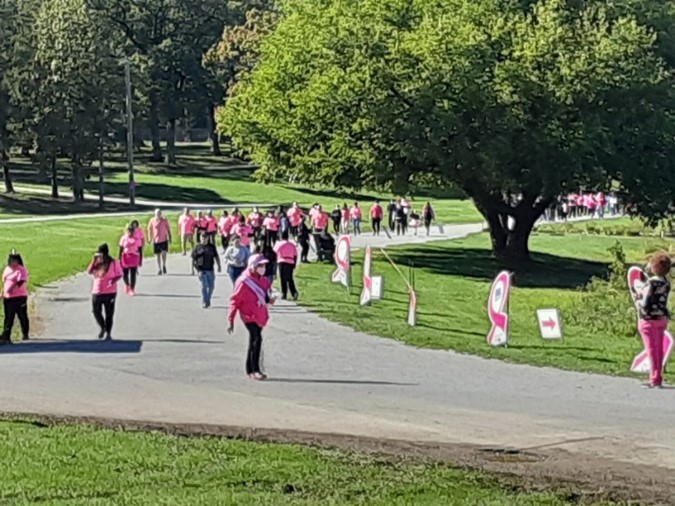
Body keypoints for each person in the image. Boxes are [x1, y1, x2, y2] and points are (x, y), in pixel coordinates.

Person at [227, 254, 276, 380]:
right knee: (256, 339)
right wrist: (230, 319)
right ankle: (255, 370)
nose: (263, 268)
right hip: (248, 315)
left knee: (254, 340)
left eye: (264, 265)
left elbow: (265, 298)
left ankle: (250, 369)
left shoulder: (264, 281)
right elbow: (234, 301)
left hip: (259, 314)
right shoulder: (243, 282)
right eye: (260, 265)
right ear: (253, 266)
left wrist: (271, 299)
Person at [635, 253, 672, 389]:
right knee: (659, 349)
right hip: (661, 318)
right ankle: (658, 377)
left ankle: (654, 379)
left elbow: (645, 302)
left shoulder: (650, 283)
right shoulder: (666, 283)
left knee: (651, 350)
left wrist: (638, 300)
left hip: (648, 320)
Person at [87, 244, 123, 340]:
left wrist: (113, 280)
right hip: (97, 291)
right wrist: (94, 260)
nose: (100, 256)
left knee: (109, 313)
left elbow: (119, 274)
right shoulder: (97, 262)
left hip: (110, 292)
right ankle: (102, 327)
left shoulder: (114, 263)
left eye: (101, 254)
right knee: (96, 311)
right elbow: (89, 271)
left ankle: (108, 333)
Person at [1, 251, 29, 344]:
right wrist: (3, 291)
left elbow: (21, 282)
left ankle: (25, 333)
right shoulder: (7, 269)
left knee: (22, 316)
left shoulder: (21, 270)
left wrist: (12, 289)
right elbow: (4, 282)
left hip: (19, 297)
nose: (13, 263)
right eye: (11, 261)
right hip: (8, 298)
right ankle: (6, 336)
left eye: (15, 261)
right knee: (9, 317)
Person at [192, 233, 222, 309]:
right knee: (204, 286)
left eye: (205, 238)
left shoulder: (211, 247)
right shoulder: (197, 247)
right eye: (202, 238)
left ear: (208, 238)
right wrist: (192, 269)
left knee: (211, 286)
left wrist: (219, 266)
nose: (204, 239)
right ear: (200, 238)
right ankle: (205, 302)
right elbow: (193, 258)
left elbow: (216, 256)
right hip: (201, 269)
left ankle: (208, 299)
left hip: (210, 269)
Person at [274, 230, 299, 300]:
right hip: (290, 261)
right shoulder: (292, 245)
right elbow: (295, 255)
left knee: (282, 278)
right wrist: (294, 263)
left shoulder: (279, 244)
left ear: (281, 236)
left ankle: (284, 293)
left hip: (282, 260)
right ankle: (294, 292)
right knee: (289, 278)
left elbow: (274, 252)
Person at [118, 225, 142, 296]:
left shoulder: (137, 239)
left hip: (134, 257)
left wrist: (140, 260)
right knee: (125, 273)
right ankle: (127, 285)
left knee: (133, 274)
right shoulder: (123, 238)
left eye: (132, 231)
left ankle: (132, 289)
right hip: (125, 257)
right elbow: (121, 249)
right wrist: (119, 259)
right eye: (129, 231)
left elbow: (140, 250)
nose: (130, 233)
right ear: (126, 231)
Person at [147, 209, 171, 275]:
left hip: (164, 239)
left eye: (159, 213)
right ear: (155, 214)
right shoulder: (152, 220)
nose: (158, 215)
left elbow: (168, 229)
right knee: (158, 255)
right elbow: (149, 229)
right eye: (157, 213)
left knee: (164, 253)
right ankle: (159, 268)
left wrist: (170, 237)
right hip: (156, 240)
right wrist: (149, 238)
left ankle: (164, 265)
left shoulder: (164, 220)